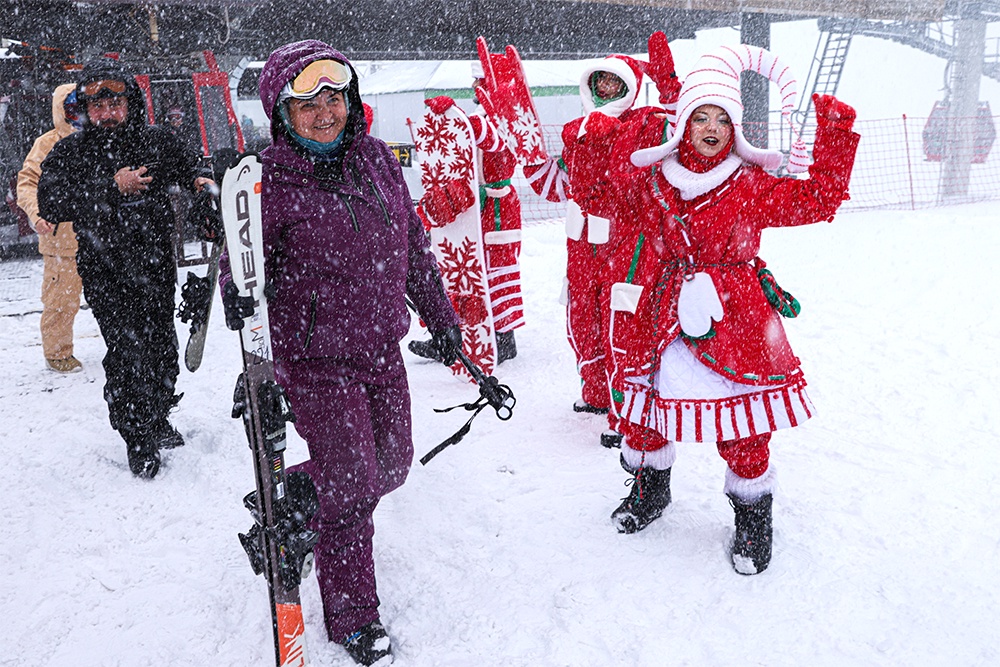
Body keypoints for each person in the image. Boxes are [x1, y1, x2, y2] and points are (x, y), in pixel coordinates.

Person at [574, 45, 859, 575]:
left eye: (721, 118)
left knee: (743, 426)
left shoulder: (749, 185)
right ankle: (648, 491)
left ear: (737, 129)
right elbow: (598, 197)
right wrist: (595, 144)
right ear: (681, 124)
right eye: (699, 116)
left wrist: (836, 134)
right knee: (645, 414)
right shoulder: (653, 181)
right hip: (661, 314)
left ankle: (753, 520)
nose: (710, 126)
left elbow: (819, 201)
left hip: (736, 316)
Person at [220, 40, 460, 666]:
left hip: (382, 349)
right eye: (309, 103)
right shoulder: (267, 181)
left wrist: (443, 317)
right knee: (353, 484)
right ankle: (354, 614)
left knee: (394, 464)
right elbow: (238, 265)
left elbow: (411, 245)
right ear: (282, 112)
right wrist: (240, 310)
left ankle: (301, 495)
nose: (327, 112)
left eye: (335, 97)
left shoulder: (377, 159)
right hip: (316, 360)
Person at [37, 59, 214, 479]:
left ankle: (158, 415)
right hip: (105, 271)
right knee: (128, 354)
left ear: (129, 101)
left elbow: (191, 164)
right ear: (85, 108)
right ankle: (138, 436)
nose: (106, 112)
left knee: (161, 349)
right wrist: (109, 187)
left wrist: (203, 184)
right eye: (96, 103)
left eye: (113, 100)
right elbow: (50, 200)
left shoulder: (155, 141)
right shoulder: (72, 151)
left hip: (154, 266)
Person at [524, 37, 680, 449]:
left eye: (615, 83)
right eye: (601, 82)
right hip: (581, 247)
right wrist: (525, 147)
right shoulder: (576, 130)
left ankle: (623, 410)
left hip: (625, 243)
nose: (607, 90)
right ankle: (595, 393)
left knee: (620, 326)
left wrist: (669, 85)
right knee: (582, 317)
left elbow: (681, 126)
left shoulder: (645, 122)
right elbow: (553, 185)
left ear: (630, 87)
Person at [409, 62, 524, 365]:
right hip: (475, 205)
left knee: (495, 272)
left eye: (481, 81)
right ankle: (460, 335)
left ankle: (501, 338)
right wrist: (446, 122)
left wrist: (461, 121)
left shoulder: (507, 113)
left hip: (497, 206)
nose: (476, 87)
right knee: (465, 270)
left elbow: (498, 142)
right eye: (475, 82)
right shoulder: (483, 115)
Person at [16, 83, 84, 373]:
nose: (77, 114)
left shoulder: (101, 138)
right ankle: (57, 352)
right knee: (61, 300)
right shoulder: (47, 143)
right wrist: (36, 213)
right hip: (62, 241)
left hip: (103, 237)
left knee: (117, 295)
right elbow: (27, 182)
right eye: (70, 108)